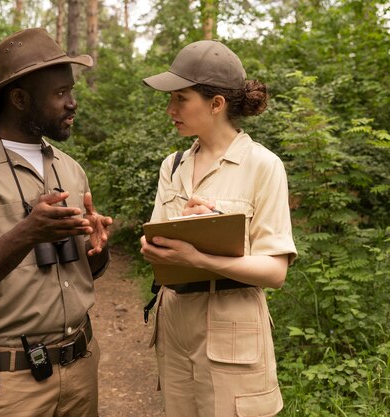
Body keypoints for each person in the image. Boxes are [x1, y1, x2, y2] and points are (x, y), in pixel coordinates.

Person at [0, 28, 112, 417]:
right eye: (61, 93)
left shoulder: (70, 169)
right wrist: (28, 232)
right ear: (20, 99)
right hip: (12, 386)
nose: (73, 103)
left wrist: (97, 249)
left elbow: (81, 272)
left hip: (82, 370)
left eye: (71, 92)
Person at [139, 40, 297, 417]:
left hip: (232, 324)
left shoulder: (263, 165)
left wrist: (198, 255)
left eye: (181, 98)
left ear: (216, 104)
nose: (170, 109)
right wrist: (159, 243)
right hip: (174, 320)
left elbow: (275, 272)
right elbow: (155, 242)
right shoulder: (173, 165)